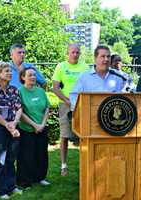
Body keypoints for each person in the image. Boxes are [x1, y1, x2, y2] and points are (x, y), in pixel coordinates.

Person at [52, 43, 89, 176]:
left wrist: (80, 101)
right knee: (64, 135)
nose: (75, 54)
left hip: (82, 105)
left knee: (83, 136)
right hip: (65, 105)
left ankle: (84, 164)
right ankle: (63, 166)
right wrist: (66, 100)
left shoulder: (85, 67)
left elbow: (88, 86)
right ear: (67, 53)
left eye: (77, 52)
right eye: (72, 52)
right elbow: (55, 88)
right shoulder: (61, 66)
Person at [0, 62, 22, 199]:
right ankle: (0, 189)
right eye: (6, 71)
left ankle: (11, 186)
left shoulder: (14, 90)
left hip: (13, 128)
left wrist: (14, 123)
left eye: (10, 71)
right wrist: (8, 125)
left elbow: (19, 108)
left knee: (11, 158)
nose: (10, 73)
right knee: (0, 159)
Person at [17, 67, 50, 188]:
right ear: (23, 77)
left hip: (42, 128)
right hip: (27, 130)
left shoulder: (40, 91)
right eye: (30, 75)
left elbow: (47, 107)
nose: (33, 77)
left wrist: (42, 124)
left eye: (34, 75)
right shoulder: (20, 92)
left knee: (42, 155)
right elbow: (20, 112)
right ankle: (25, 181)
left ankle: (40, 177)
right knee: (26, 156)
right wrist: (34, 125)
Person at [70, 45, 126, 111]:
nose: (106, 59)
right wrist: (83, 110)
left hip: (113, 119)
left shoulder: (119, 77)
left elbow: (129, 97)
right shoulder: (84, 77)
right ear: (95, 58)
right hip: (89, 117)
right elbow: (73, 97)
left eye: (108, 56)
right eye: (103, 56)